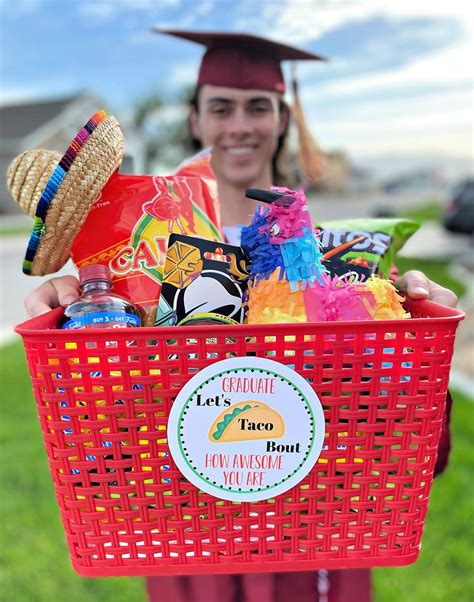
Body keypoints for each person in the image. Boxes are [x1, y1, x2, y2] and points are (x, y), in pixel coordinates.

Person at [22, 30, 457, 602]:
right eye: (220, 107)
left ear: (283, 119)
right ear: (195, 121)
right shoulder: (139, 259)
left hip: (311, 528)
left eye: (259, 107)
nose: (240, 125)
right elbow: (97, 459)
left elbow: (417, 452)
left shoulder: (335, 256)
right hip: (189, 533)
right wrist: (79, 324)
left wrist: (420, 344)